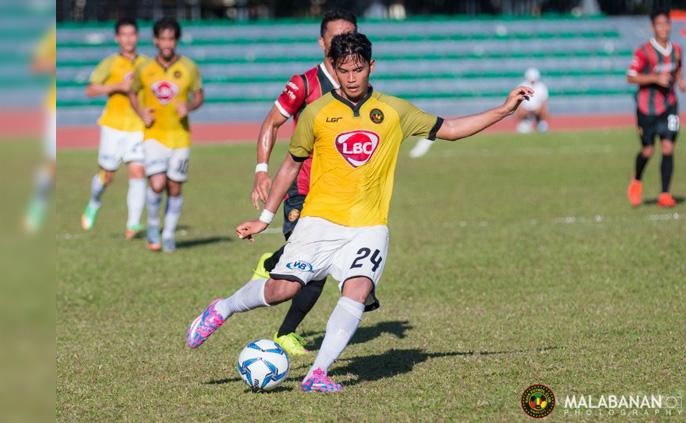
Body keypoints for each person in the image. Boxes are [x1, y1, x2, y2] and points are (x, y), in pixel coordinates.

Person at [186, 32, 533, 393]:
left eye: (358, 69)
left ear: (371, 66)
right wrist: (265, 217)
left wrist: (503, 110)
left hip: (369, 226)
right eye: (344, 71)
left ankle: (317, 373)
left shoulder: (396, 111)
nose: (352, 78)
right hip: (318, 221)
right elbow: (291, 165)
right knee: (281, 290)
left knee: (358, 288)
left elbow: (451, 129)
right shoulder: (317, 113)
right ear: (334, 70)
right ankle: (223, 308)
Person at [250, 9, 358, 356]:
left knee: (316, 272)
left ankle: (284, 327)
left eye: (350, 36)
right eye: (337, 37)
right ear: (322, 42)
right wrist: (262, 171)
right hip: (301, 187)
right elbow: (271, 123)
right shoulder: (305, 83)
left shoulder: (356, 84)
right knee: (309, 269)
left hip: (338, 192)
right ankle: (272, 271)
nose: (344, 43)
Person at [129, 17, 204, 252]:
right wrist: (141, 112)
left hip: (180, 137)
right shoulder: (144, 68)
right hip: (154, 135)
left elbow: (199, 95)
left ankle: (169, 234)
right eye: (163, 38)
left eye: (171, 39)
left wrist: (189, 107)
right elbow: (132, 93)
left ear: (176, 40)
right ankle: (153, 226)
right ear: (155, 40)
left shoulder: (189, 67)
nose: (167, 43)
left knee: (175, 187)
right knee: (158, 183)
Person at [81, 18, 149, 238]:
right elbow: (90, 90)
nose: (128, 39)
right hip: (113, 127)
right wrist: (117, 86)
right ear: (117, 38)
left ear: (137, 36)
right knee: (107, 175)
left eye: (132, 34)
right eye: (124, 35)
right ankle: (94, 202)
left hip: (138, 127)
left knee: (138, 171)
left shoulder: (147, 64)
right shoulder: (109, 63)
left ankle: (133, 224)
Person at [626, 9, 686, 208]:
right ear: (653, 27)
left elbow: (678, 68)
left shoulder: (677, 49)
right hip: (646, 108)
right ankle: (636, 180)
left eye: (666, 24)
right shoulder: (643, 51)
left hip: (669, 105)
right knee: (648, 150)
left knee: (668, 147)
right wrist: (655, 78)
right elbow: (630, 77)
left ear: (670, 25)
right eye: (659, 24)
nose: (663, 28)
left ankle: (665, 194)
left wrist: (680, 81)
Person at [24, 28, 56, 234]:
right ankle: (37, 206)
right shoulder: (52, 36)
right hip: (54, 106)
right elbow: (35, 67)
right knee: (52, 164)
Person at [515, 67, 550, 134]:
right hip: (525, 109)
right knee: (518, 108)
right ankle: (525, 122)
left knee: (544, 109)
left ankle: (541, 122)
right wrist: (523, 109)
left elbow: (544, 102)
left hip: (538, 109)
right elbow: (518, 101)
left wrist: (538, 109)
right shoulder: (522, 86)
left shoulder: (541, 86)